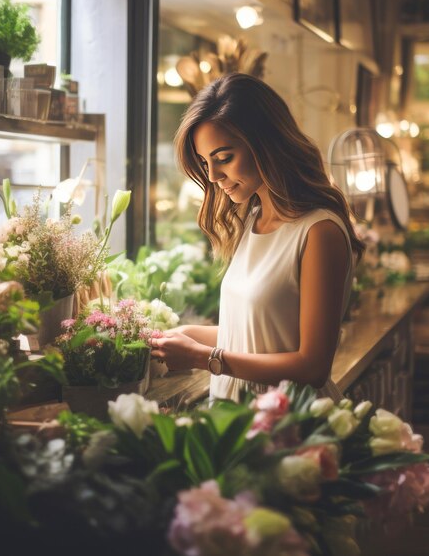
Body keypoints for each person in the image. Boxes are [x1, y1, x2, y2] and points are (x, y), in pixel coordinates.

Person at [149, 73, 364, 401]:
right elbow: (257, 335)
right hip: (236, 420)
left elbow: (312, 367)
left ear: (267, 143)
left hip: (290, 427)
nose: (213, 176)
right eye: (205, 162)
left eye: (224, 158)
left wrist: (200, 357)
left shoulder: (319, 232)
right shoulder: (251, 220)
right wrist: (185, 335)